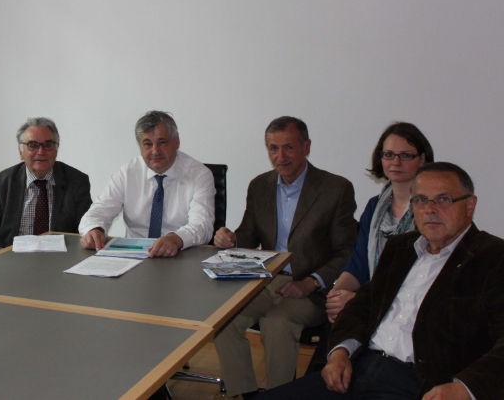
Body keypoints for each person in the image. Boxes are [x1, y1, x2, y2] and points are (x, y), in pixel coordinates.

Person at [261, 162, 504, 400]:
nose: (430, 209)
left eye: (444, 199)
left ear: (470, 205)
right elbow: (364, 304)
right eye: (420, 200)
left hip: (421, 385)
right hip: (356, 368)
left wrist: (464, 388)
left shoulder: (493, 258)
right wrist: (340, 352)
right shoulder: (400, 247)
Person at [212, 116, 357, 398]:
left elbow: (347, 250)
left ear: (306, 147)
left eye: (289, 147)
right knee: (223, 320)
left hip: (312, 289)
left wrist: (311, 282)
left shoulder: (335, 188)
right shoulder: (260, 186)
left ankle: (280, 395)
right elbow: (248, 235)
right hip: (267, 280)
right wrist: (230, 240)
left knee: (276, 323)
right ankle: (247, 393)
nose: (281, 156)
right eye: (273, 148)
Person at [325, 123, 434, 324]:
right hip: (372, 301)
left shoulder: (431, 210)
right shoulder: (375, 206)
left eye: (406, 155)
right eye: (389, 155)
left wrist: (359, 301)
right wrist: (336, 295)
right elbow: (359, 263)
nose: (396, 162)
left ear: (422, 159)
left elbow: (421, 278)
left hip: (413, 310)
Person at [78, 110, 215, 258]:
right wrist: (94, 229)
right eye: (148, 144)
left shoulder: (199, 175)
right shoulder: (127, 173)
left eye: (162, 142)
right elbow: (97, 212)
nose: (155, 151)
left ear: (176, 142)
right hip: (132, 255)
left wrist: (176, 239)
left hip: (180, 255)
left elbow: (203, 225)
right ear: (140, 147)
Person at [0, 117, 93, 256]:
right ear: (21, 151)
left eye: (48, 145)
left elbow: (87, 226)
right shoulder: (3, 182)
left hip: (60, 260)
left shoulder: (77, 181)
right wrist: (0, 255)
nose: (41, 152)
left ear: (56, 149)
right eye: (32, 145)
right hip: (13, 260)